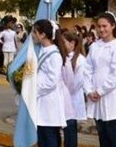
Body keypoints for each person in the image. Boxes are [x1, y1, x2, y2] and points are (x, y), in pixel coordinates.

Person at [84, 12, 116, 147]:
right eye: (99, 26)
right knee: (101, 132)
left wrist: (100, 91)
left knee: (111, 131)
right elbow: (87, 69)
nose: (101, 29)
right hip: (95, 95)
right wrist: (89, 90)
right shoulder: (94, 46)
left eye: (105, 26)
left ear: (113, 26)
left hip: (110, 95)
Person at [32, 19, 67, 147]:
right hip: (41, 101)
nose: (33, 35)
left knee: (49, 136)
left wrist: (34, 91)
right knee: (41, 137)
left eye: (35, 32)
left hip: (49, 101)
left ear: (43, 35)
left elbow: (52, 81)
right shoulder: (40, 50)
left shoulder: (54, 55)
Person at [62, 32, 87, 147]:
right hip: (65, 98)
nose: (61, 45)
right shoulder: (64, 57)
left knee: (71, 132)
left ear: (72, 43)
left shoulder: (80, 60)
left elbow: (78, 82)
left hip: (73, 99)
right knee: (66, 132)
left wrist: (65, 91)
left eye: (64, 42)